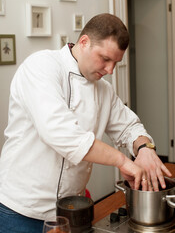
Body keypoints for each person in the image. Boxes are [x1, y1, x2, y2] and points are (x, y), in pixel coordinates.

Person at [0, 13, 171, 233]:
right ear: (84, 42)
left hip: (72, 209)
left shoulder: (104, 90)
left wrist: (145, 149)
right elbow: (62, 134)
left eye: (116, 63)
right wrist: (122, 161)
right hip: (21, 210)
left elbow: (129, 127)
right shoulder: (41, 66)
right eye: (105, 59)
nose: (110, 70)